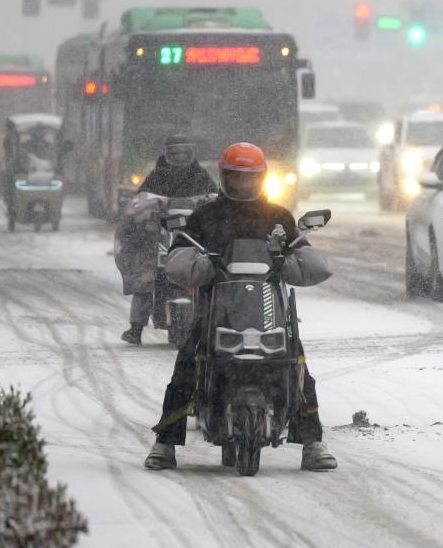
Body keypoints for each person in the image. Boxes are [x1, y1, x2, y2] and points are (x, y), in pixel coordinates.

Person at [144, 142, 337, 472]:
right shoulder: (206, 216)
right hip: (216, 309)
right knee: (188, 363)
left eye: (249, 177)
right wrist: (200, 264)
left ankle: (312, 442)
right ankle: (165, 443)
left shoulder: (277, 216)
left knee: (296, 362)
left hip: (268, 308)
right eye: (236, 177)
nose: (243, 184)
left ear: (261, 178)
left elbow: (305, 255)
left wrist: (290, 260)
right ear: (224, 177)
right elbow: (178, 254)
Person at [115, 135, 217, 345]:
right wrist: (146, 217)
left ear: (192, 153)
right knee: (146, 277)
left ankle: (216, 322)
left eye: (185, 152)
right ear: (167, 153)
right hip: (161, 236)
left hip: (193, 238)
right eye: (175, 153)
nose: (180, 157)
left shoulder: (200, 176)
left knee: (213, 272)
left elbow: (215, 200)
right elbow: (140, 203)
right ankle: (136, 327)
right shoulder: (157, 176)